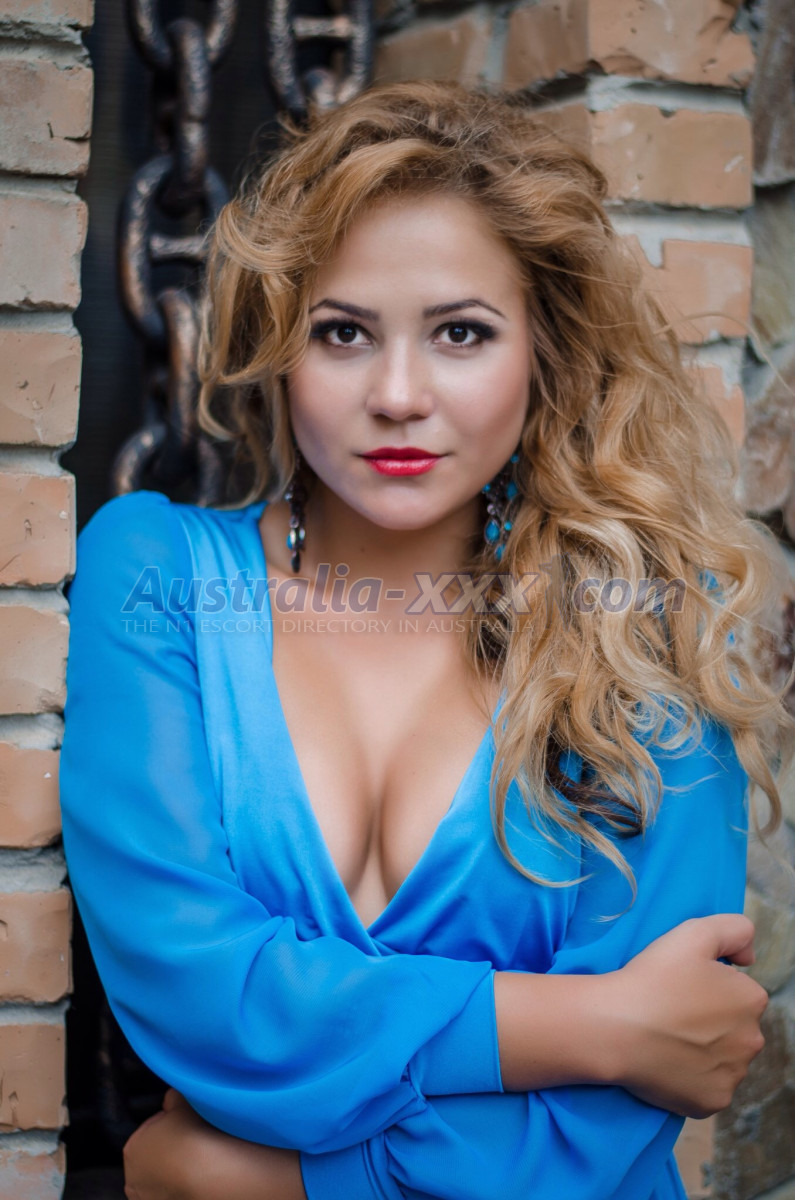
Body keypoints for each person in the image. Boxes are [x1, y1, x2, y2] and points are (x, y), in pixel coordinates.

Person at [58, 79, 792, 1200]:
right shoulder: (155, 575)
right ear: (280, 348)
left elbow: (613, 1125)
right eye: (343, 332)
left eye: (460, 333)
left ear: (541, 351)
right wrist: (596, 1024)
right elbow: (199, 999)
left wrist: (264, 1183)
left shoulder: (642, 619)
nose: (398, 394)